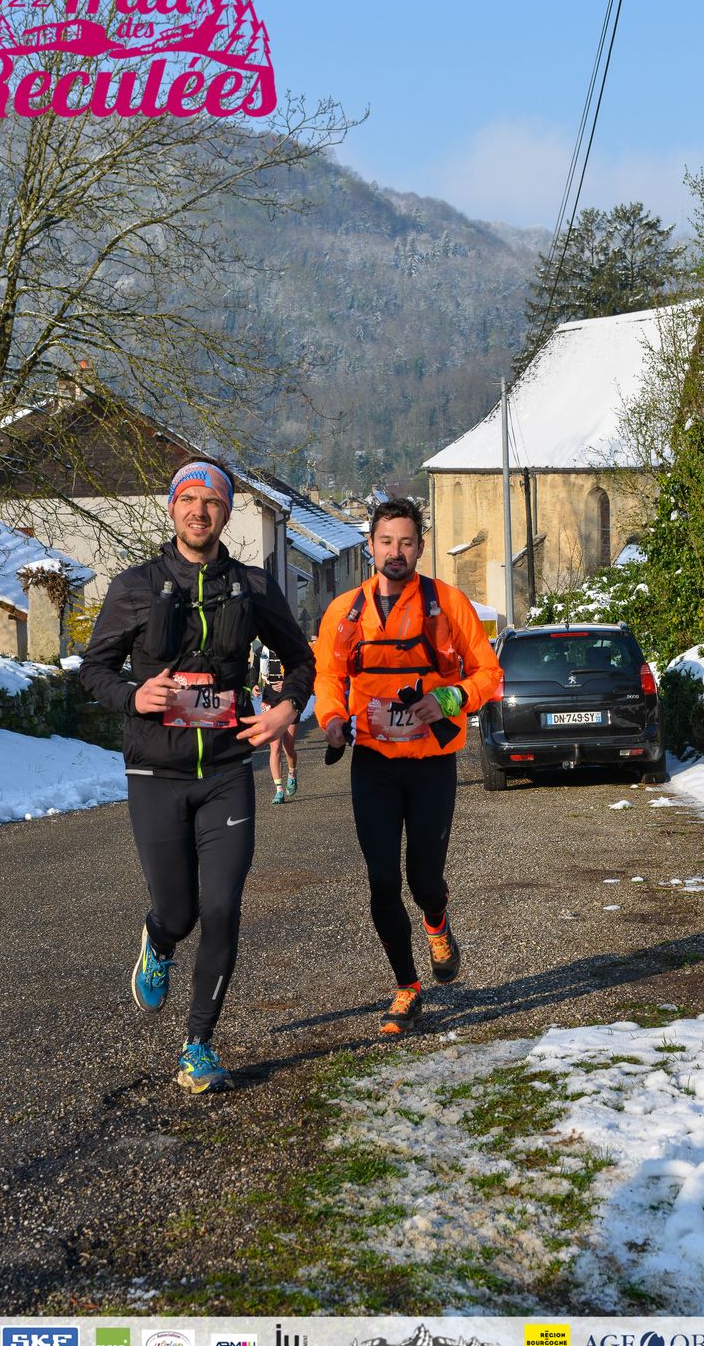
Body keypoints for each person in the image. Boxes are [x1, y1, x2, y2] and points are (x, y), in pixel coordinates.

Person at [81, 458, 314, 1092]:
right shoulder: (134, 586)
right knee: (180, 911)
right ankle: (159, 940)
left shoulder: (253, 587)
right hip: (156, 771)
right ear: (173, 508)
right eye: (188, 500)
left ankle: (198, 1046)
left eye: (211, 502)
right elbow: (93, 669)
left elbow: (301, 661)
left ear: (226, 513)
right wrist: (133, 696)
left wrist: (287, 708)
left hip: (228, 770)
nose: (199, 511)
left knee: (222, 906)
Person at [314, 497, 502, 1035]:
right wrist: (332, 718)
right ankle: (406, 987)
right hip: (373, 763)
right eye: (386, 541)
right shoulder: (346, 612)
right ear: (370, 546)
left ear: (420, 548)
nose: (395, 551)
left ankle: (437, 922)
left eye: (406, 542)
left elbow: (488, 674)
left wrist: (448, 699)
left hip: (432, 764)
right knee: (381, 881)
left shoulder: (448, 603)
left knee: (424, 879)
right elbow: (329, 677)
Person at [254, 644, 299, 804]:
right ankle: (279, 790)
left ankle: (292, 773)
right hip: (269, 699)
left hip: (289, 698)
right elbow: (254, 670)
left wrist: (287, 683)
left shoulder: (289, 648)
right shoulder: (261, 651)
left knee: (289, 748)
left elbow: (300, 672)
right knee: (275, 747)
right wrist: (253, 685)